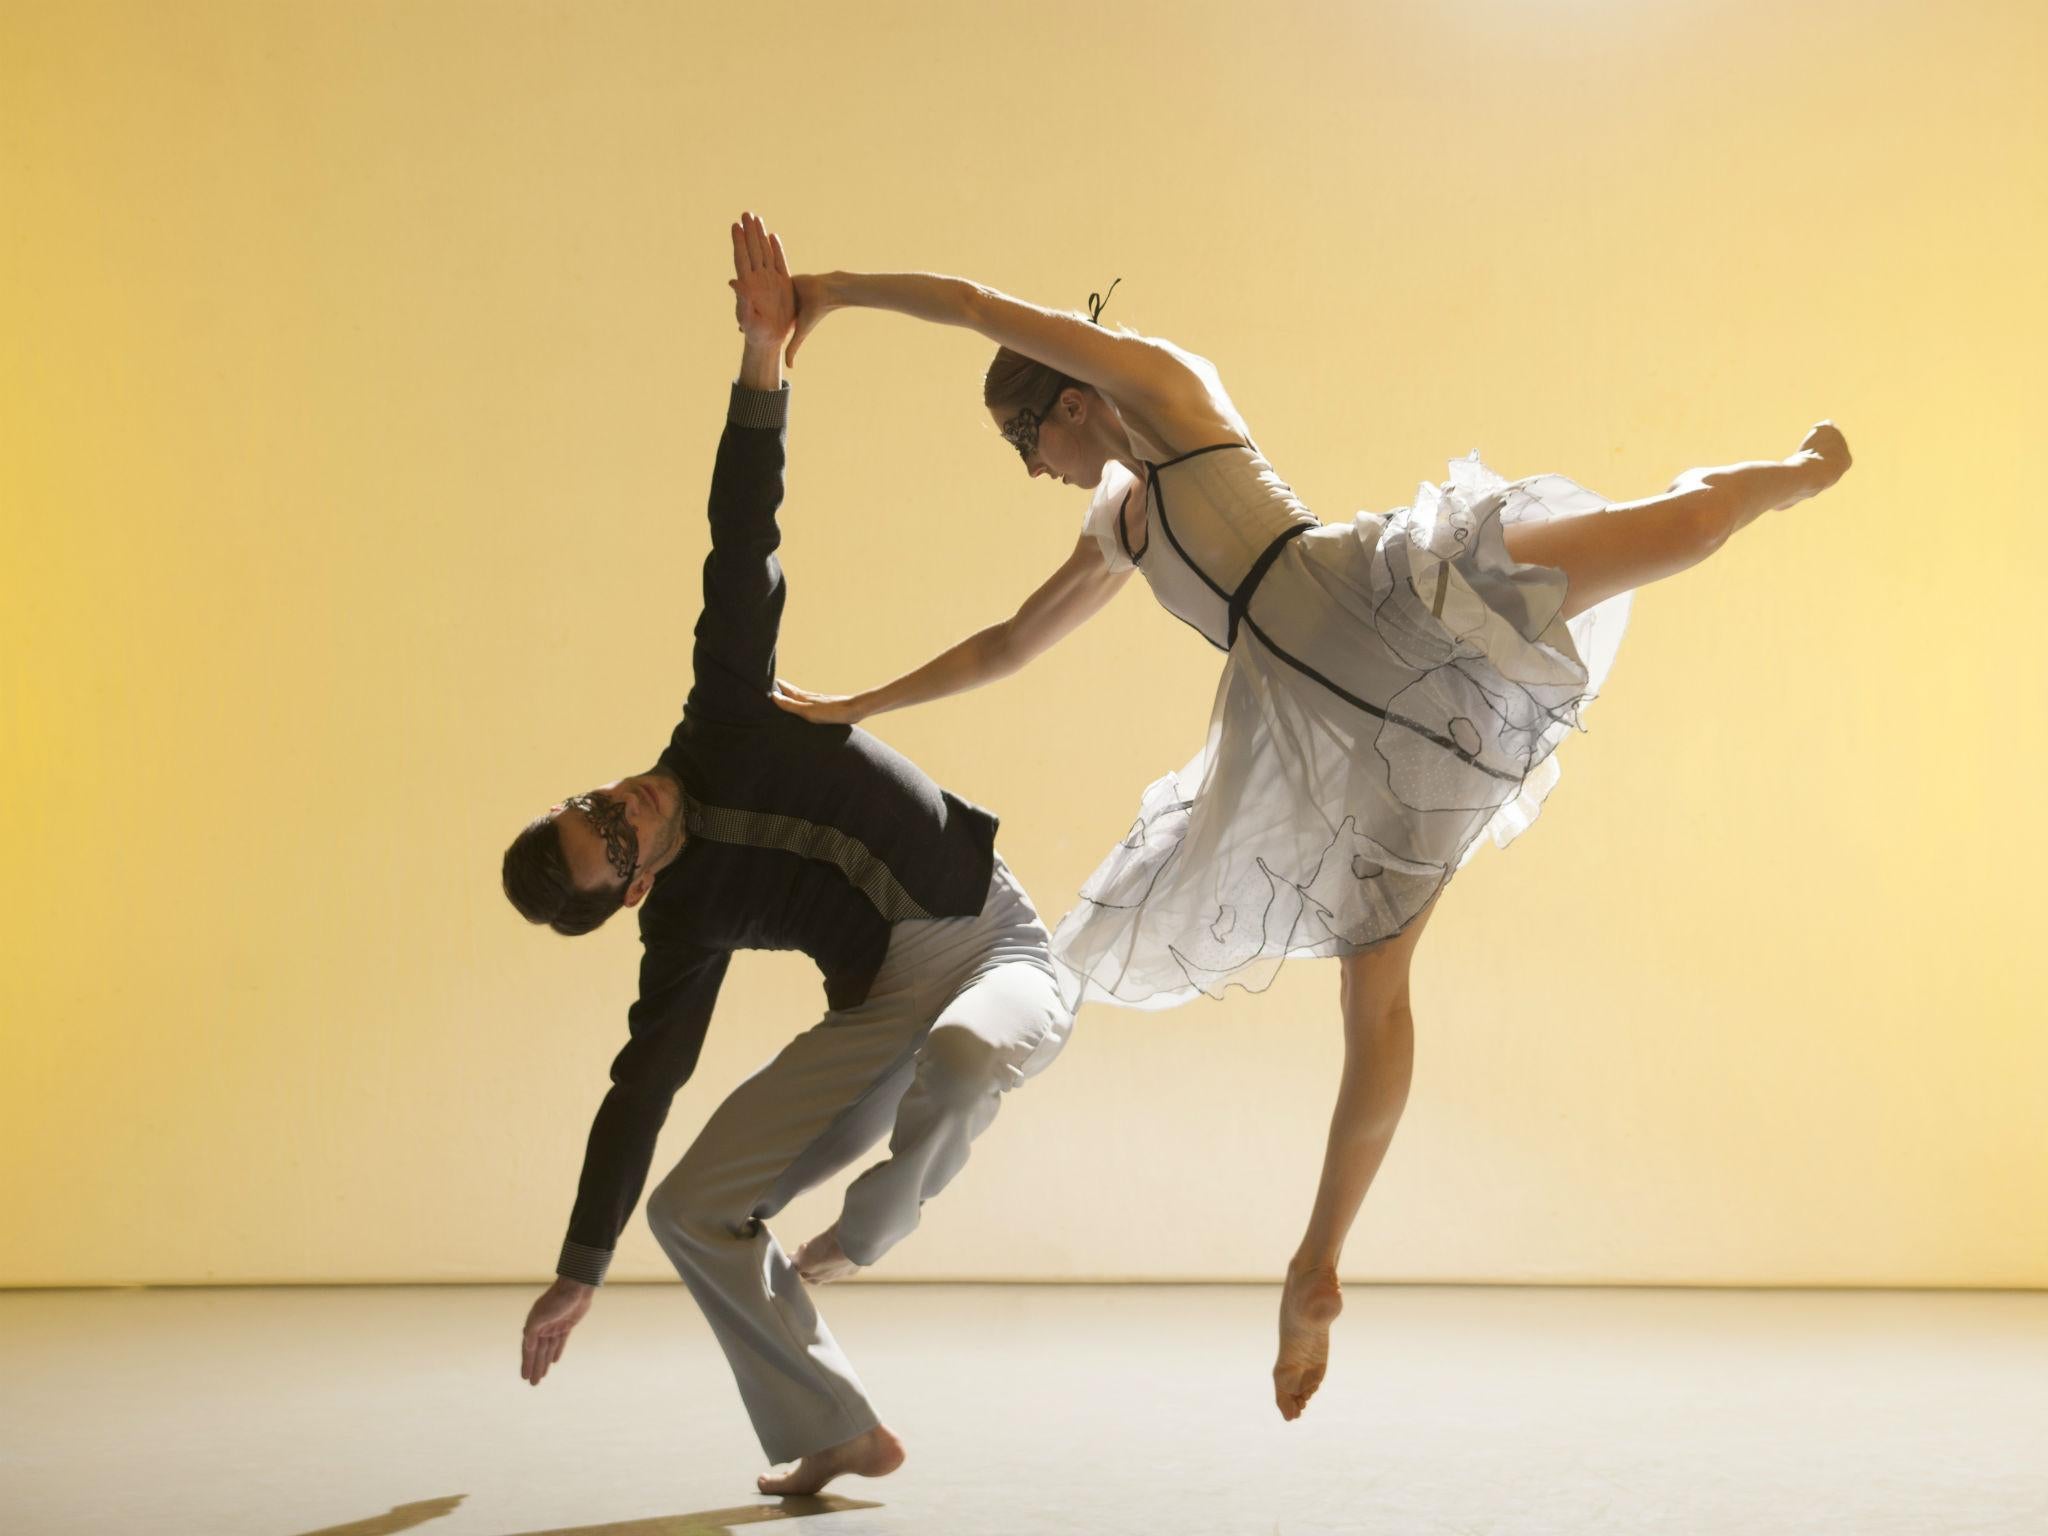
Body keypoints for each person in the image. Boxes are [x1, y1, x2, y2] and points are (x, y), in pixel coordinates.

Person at [766, 266, 1852, 1421]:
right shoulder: (1117, 525)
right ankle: (1315, 1262)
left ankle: (1795, 472)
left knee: (1681, 528)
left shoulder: (1172, 393)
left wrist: (833, 291)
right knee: (1373, 998)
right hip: (1333, 737)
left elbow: (982, 307)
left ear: (1070, 401)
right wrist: (855, 706)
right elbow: (1006, 645)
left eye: (1022, 437)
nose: (1031, 467)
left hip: (1396, 604)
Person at [498, 218, 1072, 1495]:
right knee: (689, 1210)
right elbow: (639, 1085)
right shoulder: (681, 924)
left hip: (991, 940)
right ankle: (835, 1425)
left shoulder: (719, 711)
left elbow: (738, 537)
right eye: (614, 838)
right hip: (876, 1011)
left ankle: (862, 1241)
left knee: (973, 1051)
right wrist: (578, 1270)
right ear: (633, 889)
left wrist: (765, 357)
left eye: (598, 799)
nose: (625, 803)